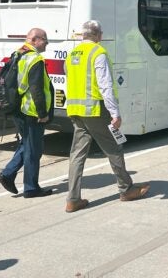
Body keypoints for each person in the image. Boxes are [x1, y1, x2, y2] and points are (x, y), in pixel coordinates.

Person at [64, 20, 149, 212]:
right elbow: (105, 85)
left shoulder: (72, 54)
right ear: (97, 35)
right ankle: (126, 189)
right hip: (95, 110)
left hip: (76, 110)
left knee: (77, 155)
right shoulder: (98, 53)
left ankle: (72, 199)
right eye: (101, 33)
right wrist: (115, 113)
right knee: (114, 149)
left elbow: (69, 78)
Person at [0, 27, 55, 199]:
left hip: (17, 109)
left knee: (27, 144)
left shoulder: (18, 54)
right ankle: (30, 187)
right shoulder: (34, 59)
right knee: (33, 150)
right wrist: (42, 112)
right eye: (45, 39)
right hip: (30, 111)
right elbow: (36, 89)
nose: (46, 43)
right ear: (35, 39)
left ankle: (8, 175)